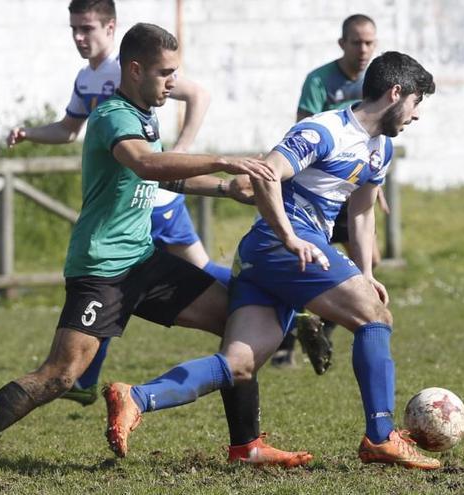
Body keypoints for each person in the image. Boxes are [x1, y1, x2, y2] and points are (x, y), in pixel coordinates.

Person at [0, 22, 312, 477]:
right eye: (165, 73)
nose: (173, 82)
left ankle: (247, 446)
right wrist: (222, 159)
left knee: (241, 325)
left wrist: (222, 188)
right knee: (59, 375)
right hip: (102, 270)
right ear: (135, 69)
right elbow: (144, 162)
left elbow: (160, 176)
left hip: (144, 259)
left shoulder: (144, 113)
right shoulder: (112, 115)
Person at [103, 51, 441, 470]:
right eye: (416, 102)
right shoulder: (324, 131)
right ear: (396, 93)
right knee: (376, 318)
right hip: (282, 244)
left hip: (273, 254)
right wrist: (288, 235)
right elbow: (267, 173)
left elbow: (362, 211)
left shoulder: (380, 149)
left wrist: (367, 273)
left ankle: (135, 397)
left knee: (239, 364)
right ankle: (380, 435)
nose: (417, 114)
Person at [5, 0, 243, 408]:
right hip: (130, 191)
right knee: (126, 281)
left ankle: (262, 306)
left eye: (88, 29)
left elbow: (197, 94)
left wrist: (181, 151)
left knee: (183, 273)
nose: (80, 38)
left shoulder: (136, 68)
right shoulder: (87, 79)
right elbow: (68, 131)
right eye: (74, 29)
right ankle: (85, 378)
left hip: (154, 194)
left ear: (111, 28)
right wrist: (28, 133)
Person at [273, 14, 388, 372]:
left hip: (352, 190)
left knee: (372, 260)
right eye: (357, 42)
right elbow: (301, 134)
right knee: (305, 264)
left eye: (370, 42)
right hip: (318, 192)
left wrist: (373, 186)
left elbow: (372, 144)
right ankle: (289, 342)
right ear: (343, 44)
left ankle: (317, 321)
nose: (364, 49)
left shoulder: (376, 84)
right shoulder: (320, 81)